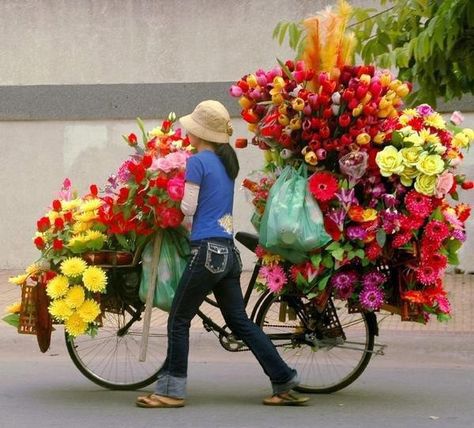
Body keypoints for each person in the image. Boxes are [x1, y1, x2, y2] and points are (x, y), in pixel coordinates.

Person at [136, 100, 309, 408]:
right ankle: (284, 380)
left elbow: (188, 208)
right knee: (240, 322)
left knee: (178, 319)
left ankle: (171, 391)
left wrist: (166, 206)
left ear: (199, 133)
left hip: (206, 251)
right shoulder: (226, 164)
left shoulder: (198, 161)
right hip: (227, 252)